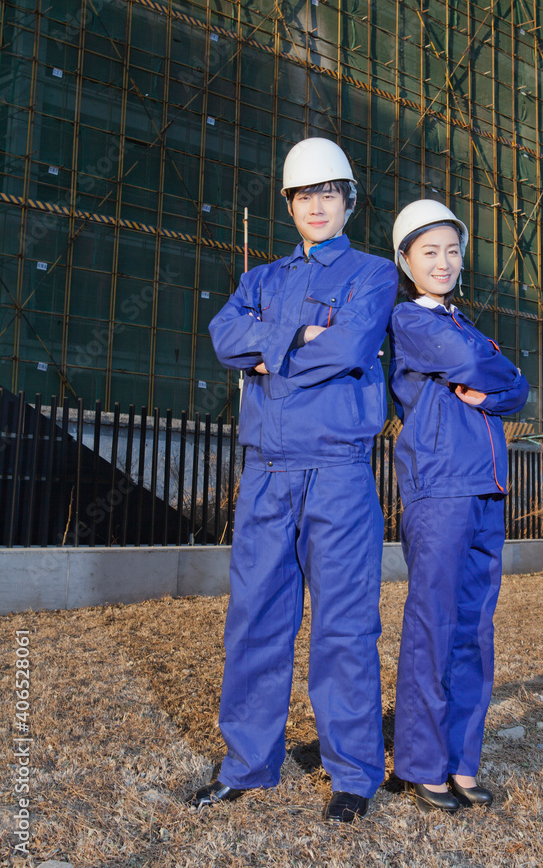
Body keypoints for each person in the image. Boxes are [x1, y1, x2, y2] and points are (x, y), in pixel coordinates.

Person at [189, 137, 398, 823]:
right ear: (288, 204)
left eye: (328, 193)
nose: (316, 205)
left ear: (347, 201)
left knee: (342, 628)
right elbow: (223, 339)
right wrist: (302, 335)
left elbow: (350, 345)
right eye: (304, 195)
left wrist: (268, 351)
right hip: (267, 473)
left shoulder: (371, 274)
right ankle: (248, 765)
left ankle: (354, 773)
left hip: (337, 470)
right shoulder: (259, 278)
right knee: (254, 622)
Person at [388, 198, 529, 813]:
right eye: (429, 251)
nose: (443, 262)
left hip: (485, 489)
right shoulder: (411, 321)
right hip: (440, 487)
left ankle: (461, 762)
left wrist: (500, 385)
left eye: (452, 250)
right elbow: (478, 366)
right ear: (406, 260)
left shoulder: (464, 323)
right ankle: (421, 764)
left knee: (474, 631)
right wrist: (498, 377)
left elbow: (518, 389)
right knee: (433, 624)